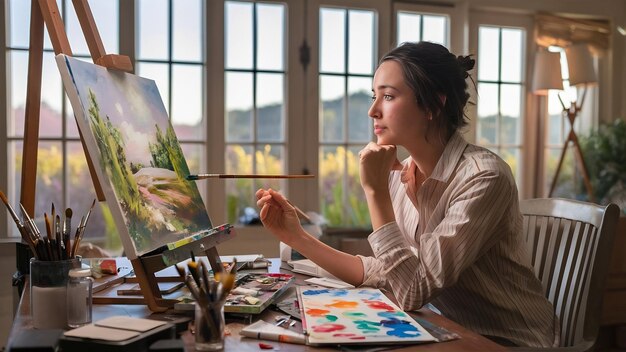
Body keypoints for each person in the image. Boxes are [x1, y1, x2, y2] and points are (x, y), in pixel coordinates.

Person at [256, 41, 558, 348]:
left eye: (388, 96)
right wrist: (297, 238)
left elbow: (412, 290)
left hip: (509, 341)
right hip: (443, 326)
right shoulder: (404, 175)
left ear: (432, 105)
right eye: (375, 96)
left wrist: (375, 192)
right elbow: (389, 273)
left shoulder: (483, 177)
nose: (373, 110)